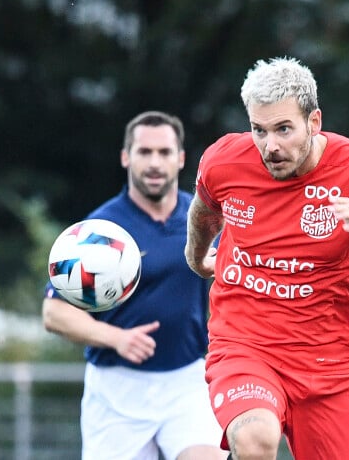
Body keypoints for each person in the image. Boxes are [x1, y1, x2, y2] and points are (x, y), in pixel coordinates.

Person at [184, 57, 349, 460]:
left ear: (314, 121)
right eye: (259, 130)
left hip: (336, 365)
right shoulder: (224, 162)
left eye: (283, 129)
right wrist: (197, 255)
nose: (270, 146)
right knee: (256, 439)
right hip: (247, 344)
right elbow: (204, 210)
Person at [42, 111, 227, 460]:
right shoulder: (98, 229)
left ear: (181, 158)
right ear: (126, 157)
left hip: (187, 379)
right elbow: (54, 313)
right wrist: (116, 338)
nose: (154, 163)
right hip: (117, 388)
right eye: (144, 152)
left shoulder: (203, 222)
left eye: (164, 152)